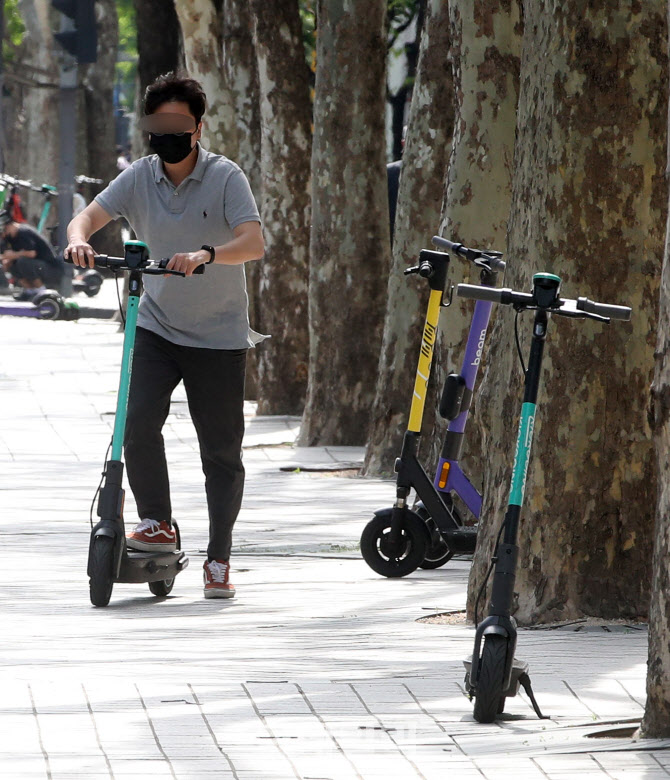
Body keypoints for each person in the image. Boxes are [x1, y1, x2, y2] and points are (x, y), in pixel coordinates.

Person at [65, 73, 265, 599]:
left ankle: (218, 557)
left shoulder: (226, 177)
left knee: (220, 451)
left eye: (178, 124)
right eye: (159, 125)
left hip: (219, 336)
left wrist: (207, 254)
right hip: (156, 325)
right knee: (134, 425)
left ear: (198, 127)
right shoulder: (140, 177)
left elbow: (253, 241)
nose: (167, 134)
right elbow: (88, 215)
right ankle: (156, 522)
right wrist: (78, 240)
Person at [0, 209, 63, 299]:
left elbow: (31, 253)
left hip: (51, 269)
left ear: (8, 226)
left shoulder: (23, 232)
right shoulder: (10, 238)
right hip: (38, 267)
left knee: (23, 261)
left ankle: (41, 290)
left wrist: (12, 255)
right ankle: (30, 291)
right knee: (12, 263)